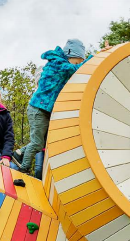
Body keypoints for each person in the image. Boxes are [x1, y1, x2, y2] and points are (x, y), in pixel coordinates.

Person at [12, 39, 92, 175]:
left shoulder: (61, 64)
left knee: (42, 143)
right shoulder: (58, 63)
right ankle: (24, 168)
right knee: (37, 143)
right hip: (38, 109)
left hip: (43, 109)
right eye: (78, 61)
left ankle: (19, 153)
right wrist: (92, 59)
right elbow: (75, 70)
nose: (79, 63)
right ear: (71, 55)